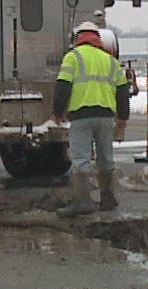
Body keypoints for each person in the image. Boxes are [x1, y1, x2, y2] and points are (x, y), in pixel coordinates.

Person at [53, 21, 131, 214]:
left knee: (81, 159)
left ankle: (83, 202)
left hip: (81, 116)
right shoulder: (110, 60)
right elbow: (122, 91)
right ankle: (108, 199)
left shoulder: (72, 58)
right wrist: (122, 117)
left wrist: (58, 112)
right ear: (98, 39)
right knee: (106, 158)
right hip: (106, 117)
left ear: (78, 38)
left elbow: (63, 87)